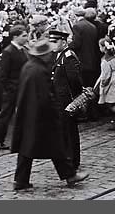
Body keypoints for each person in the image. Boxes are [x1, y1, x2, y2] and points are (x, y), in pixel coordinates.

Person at [10, 39, 80, 192]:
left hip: (28, 114)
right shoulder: (39, 71)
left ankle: (21, 180)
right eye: (48, 53)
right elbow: (45, 96)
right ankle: (70, 175)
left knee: (27, 149)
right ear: (43, 55)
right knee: (56, 147)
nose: (51, 55)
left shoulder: (29, 67)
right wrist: (54, 113)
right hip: (41, 116)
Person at [48, 28, 89, 178]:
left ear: (64, 42)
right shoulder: (58, 56)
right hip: (60, 100)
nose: (52, 44)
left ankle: (74, 160)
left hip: (67, 100)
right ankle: (69, 158)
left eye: (55, 42)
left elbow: (75, 80)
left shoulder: (68, 56)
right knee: (64, 131)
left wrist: (76, 100)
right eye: (51, 41)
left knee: (70, 132)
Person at [0, 24, 28, 149]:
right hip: (12, 89)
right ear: (15, 37)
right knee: (5, 115)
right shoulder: (9, 51)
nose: (26, 38)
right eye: (24, 36)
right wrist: (9, 88)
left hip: (20, 88)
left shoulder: (22, 50)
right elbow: (2, 74)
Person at [70, 8, 101, 121]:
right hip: (92, 61)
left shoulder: (77, 26)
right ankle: (94, 113)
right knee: (91, 88)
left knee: (83, 89)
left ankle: (84, 114)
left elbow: (77, 44)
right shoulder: (92, 26)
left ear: (75, 15)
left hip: (83, 62)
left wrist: (69, 44)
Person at [97, 38, 115, 129]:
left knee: (111, 103)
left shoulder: (105, 60)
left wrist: (103, 85)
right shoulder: (114, 56)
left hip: (112, 82)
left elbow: (106, 75)